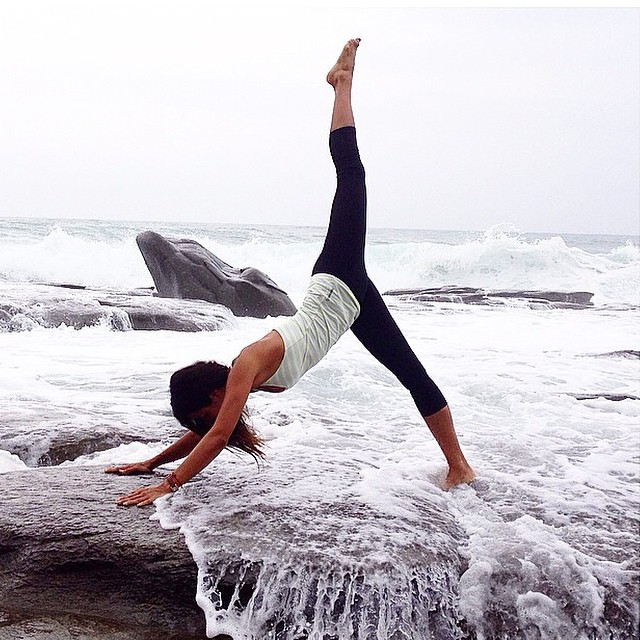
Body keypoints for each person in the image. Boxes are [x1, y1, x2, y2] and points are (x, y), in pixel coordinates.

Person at [107, 39, 475, 506]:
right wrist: (152, 462)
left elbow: (219, 435)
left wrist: (168, 484)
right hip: (350, 305)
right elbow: (211, 429)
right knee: (414, 376)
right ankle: (458, 466)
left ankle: (341, 84)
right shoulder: (236, 384)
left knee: (352, 176)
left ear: (216, 392)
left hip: (338, 279)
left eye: (205, 411)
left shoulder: (245, 365)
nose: (209, 420)